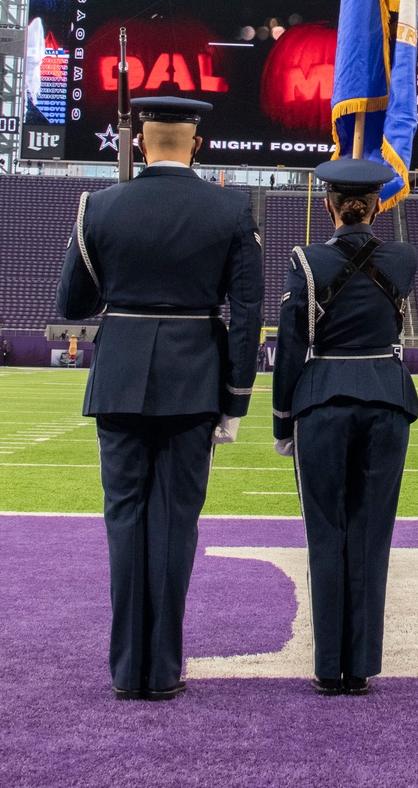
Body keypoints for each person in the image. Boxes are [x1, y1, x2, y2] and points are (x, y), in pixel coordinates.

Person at [57, 95, 262, 703]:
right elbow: (246, 312)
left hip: (119, 375)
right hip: (194, 378)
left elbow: (72, 304)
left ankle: (127, 670)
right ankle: (164, 668)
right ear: (196, 145)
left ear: (140, 144)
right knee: (175, 521)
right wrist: (236, 397)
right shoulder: (230, 208)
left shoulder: (98, 206)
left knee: (124, 519)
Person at [272, 158, 418, 697]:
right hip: (385, 395)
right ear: (378, 204)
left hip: (323, 399)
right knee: (371, 536)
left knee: (324, 534)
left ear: (329, 206)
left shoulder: (307, 261)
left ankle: (328, 666)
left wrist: (281, 420)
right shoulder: (403, 258)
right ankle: (360, 665)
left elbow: (291, 344)